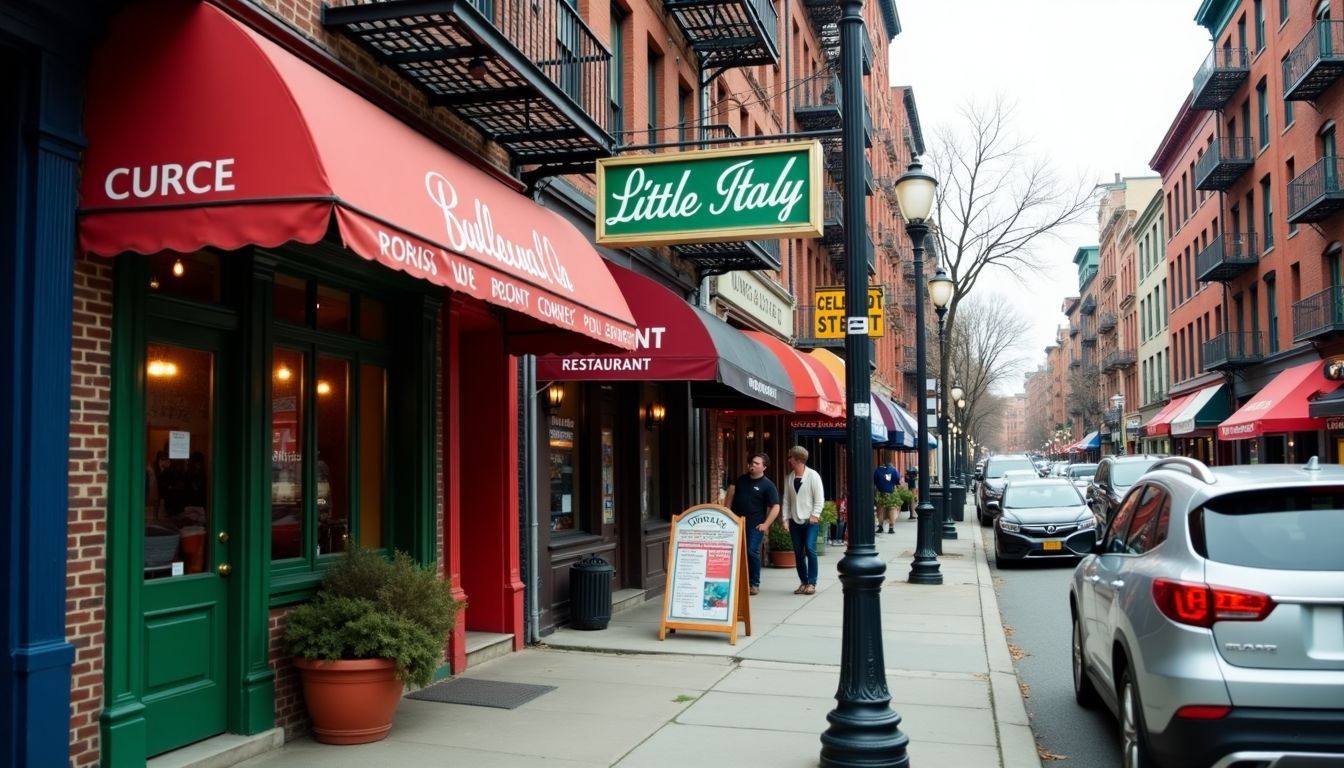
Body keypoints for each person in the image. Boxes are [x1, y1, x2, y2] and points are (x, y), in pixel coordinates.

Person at [724, 452, 781, 596]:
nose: (752, 465)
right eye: (752, 463)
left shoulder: (768, 485)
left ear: (764, 467)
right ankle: (737, 581)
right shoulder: (741, 480)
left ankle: (754, 584)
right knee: (735, 552)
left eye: (757, 463)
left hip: (756, 526)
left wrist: (766, 524)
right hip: (736, 523)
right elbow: (731, 494)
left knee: (751, 551)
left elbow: (776, 506)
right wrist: (727, 513)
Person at [781, 445, 824, 595]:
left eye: (790, 457)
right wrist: (785, 518)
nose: (789, 460)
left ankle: (812, 583)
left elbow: (819, 499)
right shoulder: (789, 478)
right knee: (798, 552)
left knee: (810, 549)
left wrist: (815, 515)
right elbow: (786, 500)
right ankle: (803, 582)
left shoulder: (813, 476)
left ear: (798, 459)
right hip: (795, 521)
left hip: (810, 521)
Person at [873, 460, 900, 533]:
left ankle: (880, 526)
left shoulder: (878, 470)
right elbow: (897, 479)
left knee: (880, 510)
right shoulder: (894, 470)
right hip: (891, 493)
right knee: (892, 510)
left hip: (881, 493)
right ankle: (891, 527)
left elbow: (874, 480)